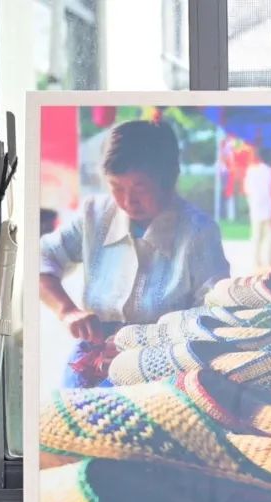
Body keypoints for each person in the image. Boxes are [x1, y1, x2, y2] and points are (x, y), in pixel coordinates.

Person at [40, 119, 231, 388]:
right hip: (94, 352)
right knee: (67, 407)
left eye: (140, 188)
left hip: (163, 360)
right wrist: (67, 311)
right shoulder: (95, 215)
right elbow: (40, 257)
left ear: (168, 181)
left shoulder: (198, 232)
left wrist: (145, 348)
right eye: (116, 187)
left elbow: (214, 312)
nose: (128, 201)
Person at [243, 146, 271, 268]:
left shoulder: (251, 171)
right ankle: (269, 263)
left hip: (256, 207)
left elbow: (247, 189)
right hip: (270, 207)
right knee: (270, 238)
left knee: (256, 237)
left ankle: (256, 263)